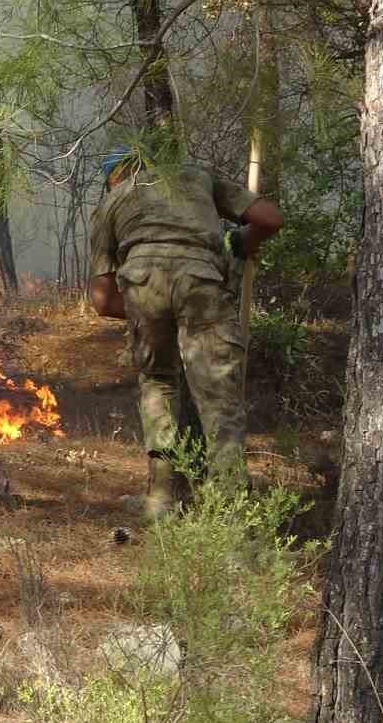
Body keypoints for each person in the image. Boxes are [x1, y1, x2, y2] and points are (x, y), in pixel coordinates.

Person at [88, 148, 284, 518]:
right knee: (219, 398)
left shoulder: (111, 202)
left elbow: (101, 301)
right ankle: (229, 510)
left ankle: (160, 500)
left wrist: (144, 309)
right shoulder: (196, 176)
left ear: (114, 177)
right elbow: (270, 219)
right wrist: (242, 242)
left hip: (142, 284)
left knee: (159, 382)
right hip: (202, 281)